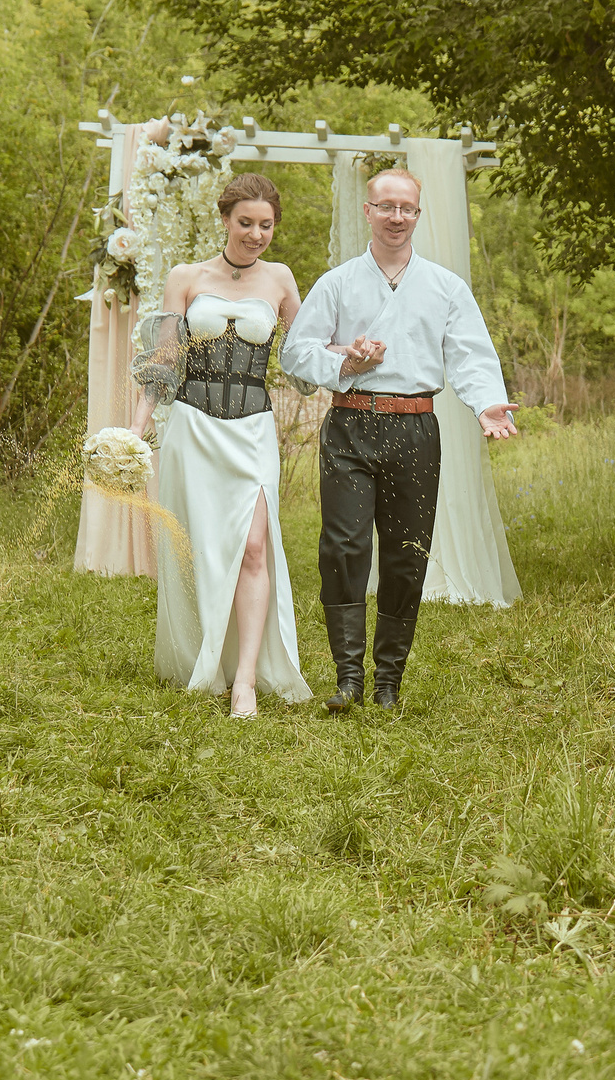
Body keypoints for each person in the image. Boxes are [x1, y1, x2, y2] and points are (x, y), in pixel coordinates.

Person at [283, 165, 516, 711]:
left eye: (406, 208)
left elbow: (470, 354)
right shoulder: (338, 282)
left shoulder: (445, 286)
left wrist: (486, 403)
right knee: (343, 546)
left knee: (408, 552)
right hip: (350, 424)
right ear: (368, 211)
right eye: (386, 206)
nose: (396, 217)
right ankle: (348, 679)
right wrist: (346, 362)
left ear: (417, 214)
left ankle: (388, 681)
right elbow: (295, 352)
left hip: (415, 428)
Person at [133, 172, 311, 716]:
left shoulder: (280, 279)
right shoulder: (186, 277)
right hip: (193, 427)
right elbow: (165, 360)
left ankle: (246, 681)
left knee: (255, 546)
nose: (256, 235)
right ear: (226, 219)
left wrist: (350, 361)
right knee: (205, 549)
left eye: (266, 225)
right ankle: (208, 656)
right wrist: (135, 431)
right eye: (246, 223)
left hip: (252, 429)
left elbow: (304, 359)